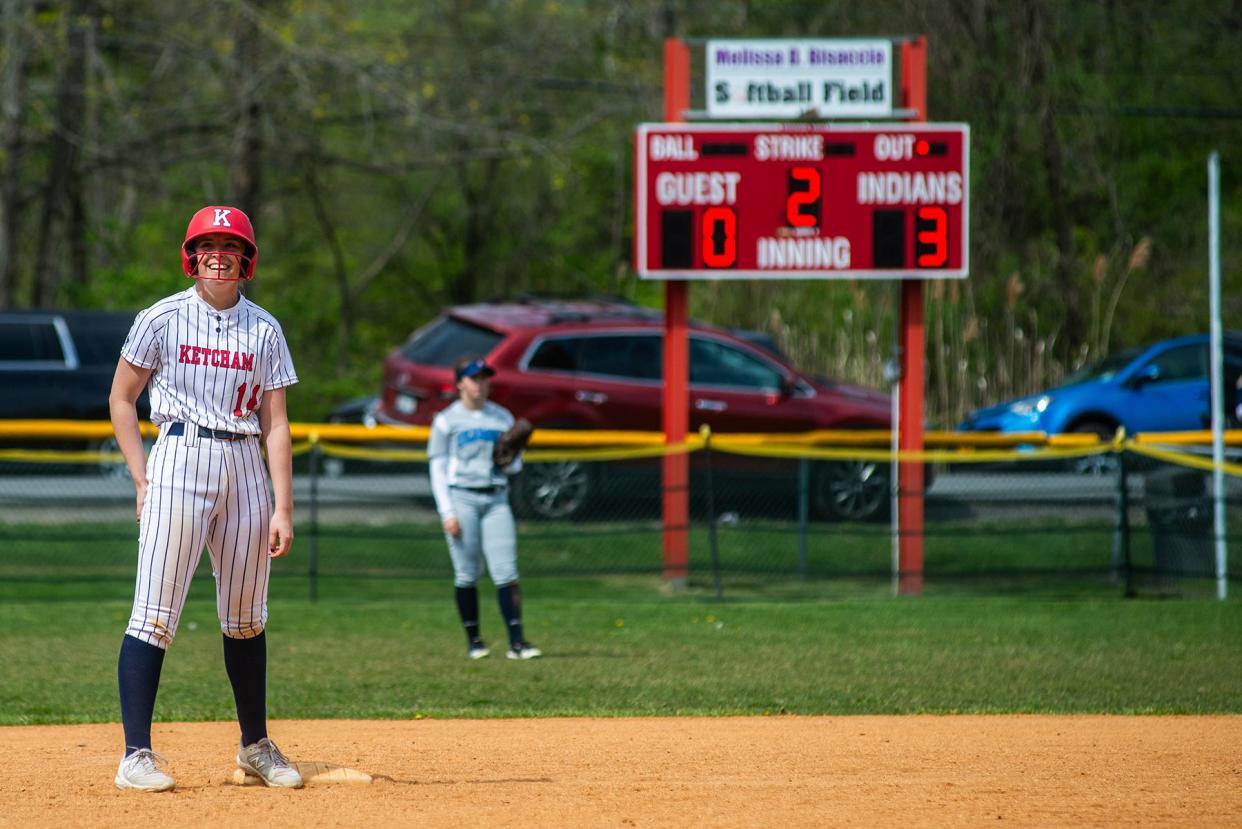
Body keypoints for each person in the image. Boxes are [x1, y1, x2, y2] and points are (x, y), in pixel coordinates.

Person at [107, 205, 302, 792]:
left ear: (248, 260)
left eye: (231, 245)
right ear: (191, 255)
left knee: (245, 618)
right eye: (208, 244)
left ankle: (254, 746)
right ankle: (135, 755)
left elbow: (276, 423)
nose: (220, 254)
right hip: (179, 457)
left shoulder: (264, 328)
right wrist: (142, 478)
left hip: (245, 465)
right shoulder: (160, 318)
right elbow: (121, 398)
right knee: (155, 612)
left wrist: (284, 506)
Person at [428, 356, 542, 661]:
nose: (480, 383)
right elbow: (438, 468)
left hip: (496, 498)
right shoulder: (446, 420)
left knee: (506, 570)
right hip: (462, 497)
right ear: (460, 383)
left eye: (484, 378)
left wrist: (513, 454)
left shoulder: (502, 417)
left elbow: (513, 467)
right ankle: (475, 641)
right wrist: (446, 512)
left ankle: (517, 643)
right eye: (474, 377)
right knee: (467, 573)